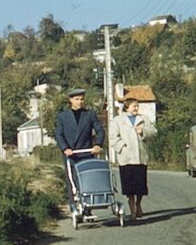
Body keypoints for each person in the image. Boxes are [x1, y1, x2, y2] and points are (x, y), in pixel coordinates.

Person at [55, 88, 105, 226]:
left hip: (86, 151)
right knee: (72, 180)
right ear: (71, 100)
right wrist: (65, 148)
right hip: (71, 153)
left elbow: (99, 130)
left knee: (87, 180)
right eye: (77, 99)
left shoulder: (89, 115)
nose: (80, 102)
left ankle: (87, 208)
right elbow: (59, 134)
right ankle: (74, 206)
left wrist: (98, 144)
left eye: (82, 99)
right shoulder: (62, 116)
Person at [108, 98, 157, 221]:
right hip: (127, 158)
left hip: (140, 157)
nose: (136, 108)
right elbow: (113, 138)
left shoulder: (143, 119)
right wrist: (122, 147)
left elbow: (154, 132)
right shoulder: (118, 121)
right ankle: (132, 211)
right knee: (129, 186)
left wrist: (143, 131)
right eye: (133, 106)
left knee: (140, 185)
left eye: (137, 106)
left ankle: (138, 203)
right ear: (126, 107)